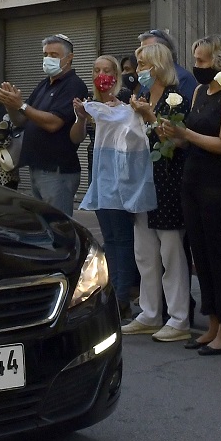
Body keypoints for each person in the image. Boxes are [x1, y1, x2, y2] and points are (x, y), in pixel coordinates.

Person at [161, 37, 221, 354]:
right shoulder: (199, 92)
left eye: (202, 61)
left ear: (220, 61)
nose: (197, 66)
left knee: (220, 255)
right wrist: (173, 135)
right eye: (195, 60)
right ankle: (212, 322)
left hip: (219, 186)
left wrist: (187, 134)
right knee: (200, 255)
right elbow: (190, 139)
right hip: (193, 180)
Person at [70, 55, 153, 323]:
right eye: (96, 70)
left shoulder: (125, 103)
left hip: (122, 177)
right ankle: (116, 292)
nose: (101, 75)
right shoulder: (90, 104)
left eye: (107, 71)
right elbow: (75, 137)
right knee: (111, 240)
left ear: (116, 75)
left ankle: (122, 296)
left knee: (123, 239)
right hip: (102, 177)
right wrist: (82, 117)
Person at [121, 39, 191, 342]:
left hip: (168, 182)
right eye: (138, 65)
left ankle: (179, 318)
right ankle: (150, 313)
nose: (139, 71)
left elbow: (176, 142)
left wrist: (149, 117)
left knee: (171, 253)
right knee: (145, 254)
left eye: (144, 65)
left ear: (159, 66)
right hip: (143, 183)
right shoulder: (143, 95)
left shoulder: (175, 99)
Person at [0, 34, 88, 216]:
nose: (48, 59)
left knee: (58, 225)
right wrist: (10, 104)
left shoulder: (74, 85)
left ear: (69, 58)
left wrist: (21, 105)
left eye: (54, 55)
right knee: (43, 223)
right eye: (45, 54)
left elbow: (54, 123)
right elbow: (21, 119)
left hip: (57, 171)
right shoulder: (44, 85)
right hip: (37, 166)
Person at [139, 29, 199, 102]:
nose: (143, 54)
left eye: (149, 49)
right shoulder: (148, 79)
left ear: (164, 51)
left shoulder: (183, 78)